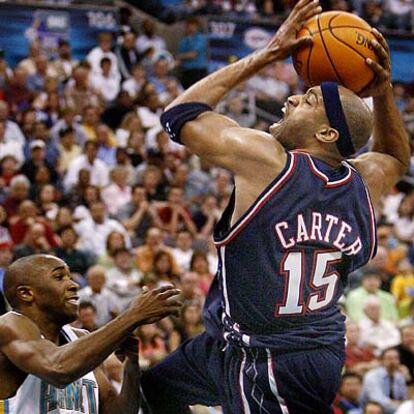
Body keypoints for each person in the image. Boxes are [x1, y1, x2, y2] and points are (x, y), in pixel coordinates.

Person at [139, 0, 411, 412]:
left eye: (307, 101)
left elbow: (180, 114)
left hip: (276, 356)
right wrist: (383, 93)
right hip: (240, 343)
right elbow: (395, 157)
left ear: (325, 131)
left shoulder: (269, 162)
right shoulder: (364, 182)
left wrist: (268, 53)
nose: (289, 101)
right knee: (155, 387)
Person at [0, 254, 181, 413]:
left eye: (70, 277)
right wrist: (133, 315)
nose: (74, 285)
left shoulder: (81, 339)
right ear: (26, 293)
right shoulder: (7, 325)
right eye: (59, 277)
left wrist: (131, 368)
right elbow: (58, 368)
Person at [360, 348, 407, 414]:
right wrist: (401, 405)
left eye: (396, 358)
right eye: (389, 358)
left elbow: (404, 398)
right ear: (381, 360)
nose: (393, 361)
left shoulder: (400, 377)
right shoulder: (372, 376)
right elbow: (377, 400)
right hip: (369, 411)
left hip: (394, 410)